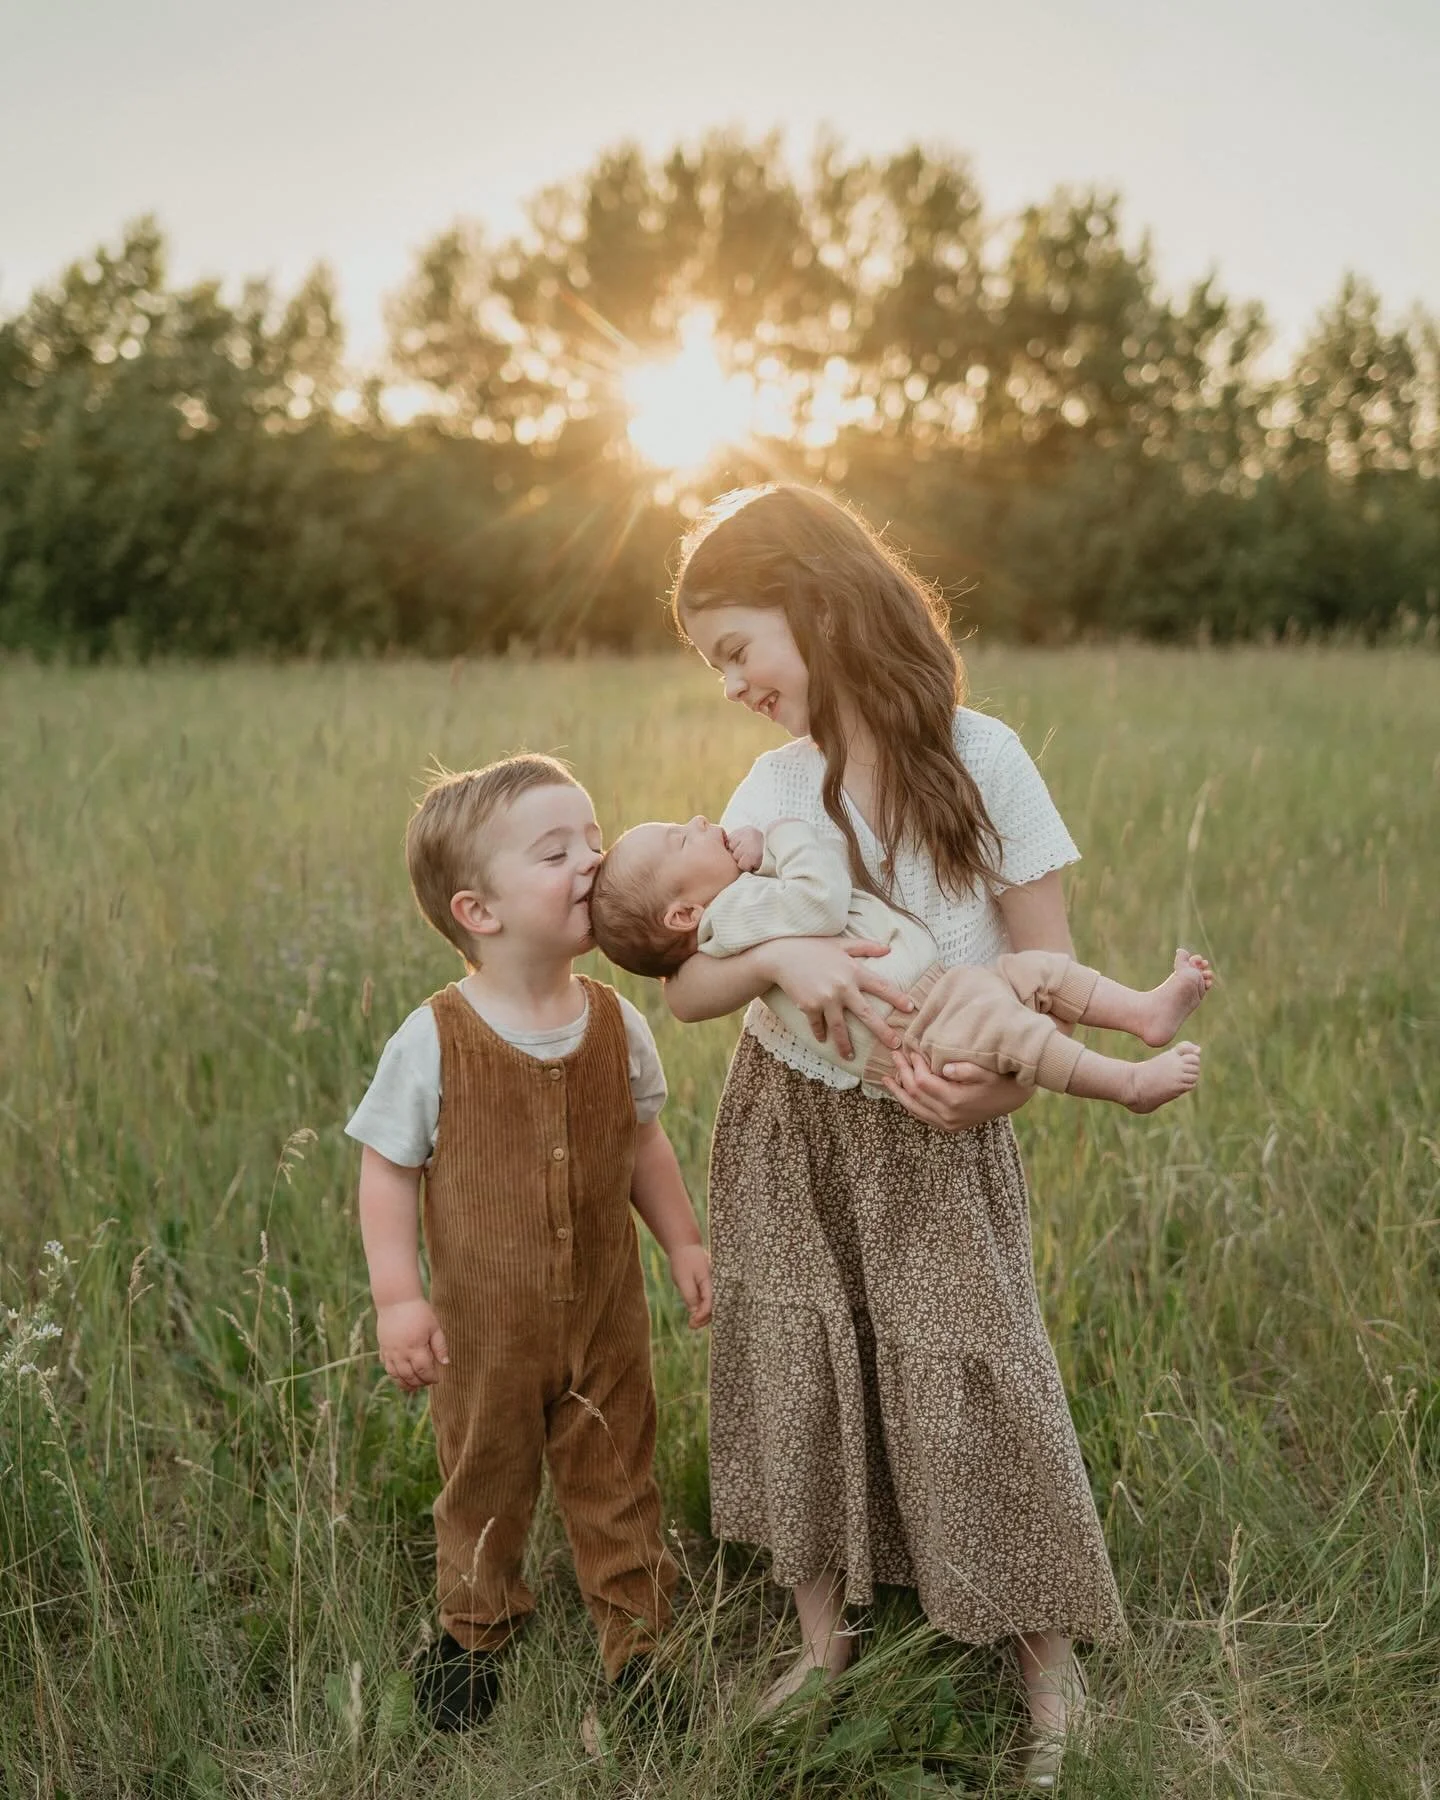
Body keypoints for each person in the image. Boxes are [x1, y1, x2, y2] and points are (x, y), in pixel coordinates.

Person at [658, 484, 1126, 1789]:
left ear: (813, 596)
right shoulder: (764, 790)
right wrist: (786, 955)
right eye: (714, 665)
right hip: (786, 1119)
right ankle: (827, 1638)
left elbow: (1048, 965)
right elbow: (688, 983)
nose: (732, 682)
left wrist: (1008, 1093)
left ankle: (1046, 1658)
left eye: (736, 646)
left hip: (939, 1122)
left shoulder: (986, 757)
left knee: (977, 1369)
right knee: (799, 1365)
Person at [344, 754, 711, 1732]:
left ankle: (637, 1654)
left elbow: (641, 1139)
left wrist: (681, 1242)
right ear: (479, 911)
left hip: (606, 1320)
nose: (593, 862)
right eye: (557, 852)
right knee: (485, 1478)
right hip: (485, 1334)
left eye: (594, 840)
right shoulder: (435, 1038)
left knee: (618, 1479)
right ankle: (475, 1633)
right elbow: (387, 1168)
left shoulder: (615, 1022)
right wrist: (399, 1297)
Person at [590, 813, 1209, 1113]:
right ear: (682, 916)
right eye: (680, 837)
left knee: (1039, 972)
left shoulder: (738, 903)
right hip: (913, 1024)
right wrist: (779, 834)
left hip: (935, 996)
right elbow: (820, 900)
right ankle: (1126, 1084)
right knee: (1015, 1028)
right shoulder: (732, 913)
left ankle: (1144, 1012)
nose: (699, 821)